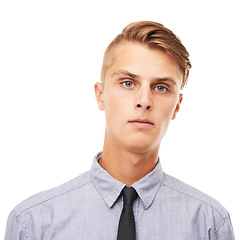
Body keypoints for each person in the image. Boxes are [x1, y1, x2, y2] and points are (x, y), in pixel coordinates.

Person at [4, 21, 235, 240]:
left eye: (161, 87)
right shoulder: (31, 223)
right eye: (128, 83)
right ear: (100, 94)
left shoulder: (210, 224)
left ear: (177, 106)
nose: (144, 101)